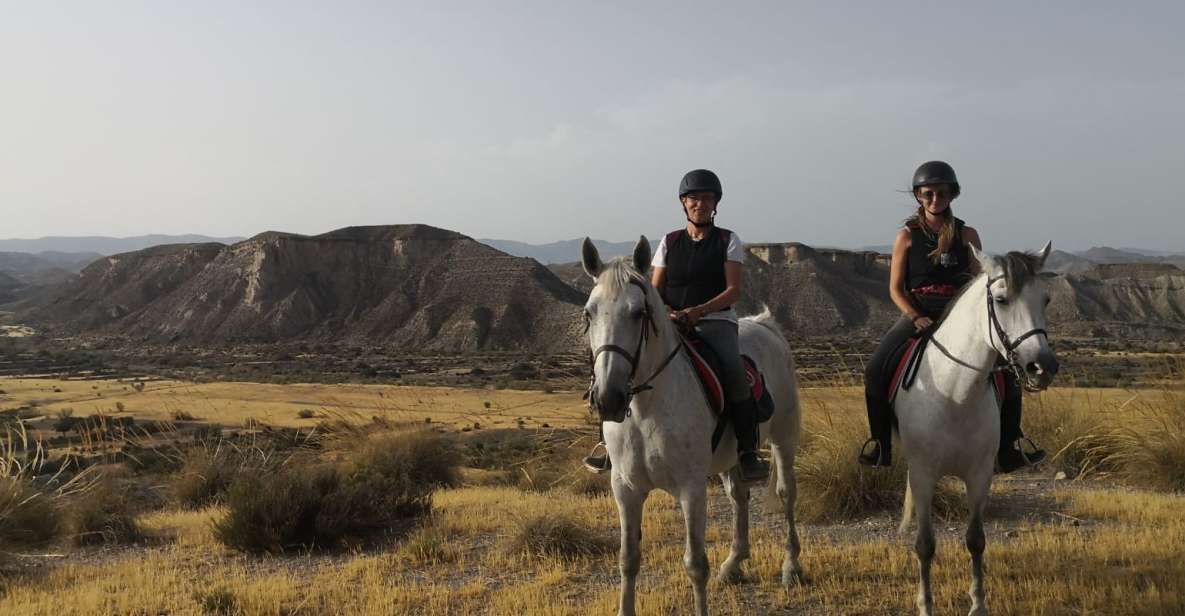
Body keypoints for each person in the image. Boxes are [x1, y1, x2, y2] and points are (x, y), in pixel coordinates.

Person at [858, 161, 1046, 472]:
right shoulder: (906, 236)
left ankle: (1010, 445)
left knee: (1007, 373)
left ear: (952, 195)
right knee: (875, 369)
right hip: (919, 311)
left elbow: (979, 283)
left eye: (942, 193)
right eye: (928, 193)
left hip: (960, 315)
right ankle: (880, 444)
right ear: (919, 195)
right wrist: (915, 316)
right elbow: (895, 289)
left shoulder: (967, 234)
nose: (935, 199)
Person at [583, 168, 770, 482]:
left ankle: (748, 452)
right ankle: (609, 442)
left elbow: (733, 290)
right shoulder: (669, 242)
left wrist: (699, 310)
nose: (700, 204)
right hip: (672, 323)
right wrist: (668, 312)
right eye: (694, 198)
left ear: (715, 204)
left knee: (734, 372)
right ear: (684, 203)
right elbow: (654, 289)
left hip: (716, 322)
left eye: (707, 198)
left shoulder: (728, 240)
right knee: (621, 365)